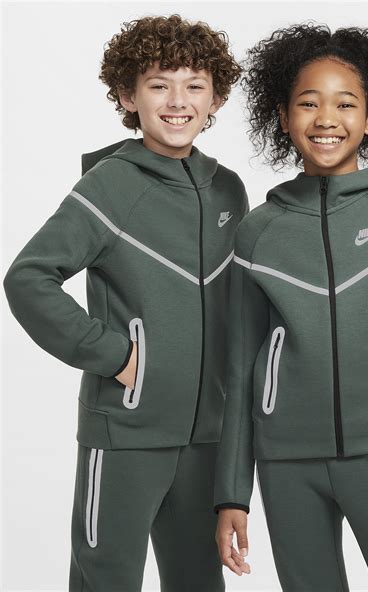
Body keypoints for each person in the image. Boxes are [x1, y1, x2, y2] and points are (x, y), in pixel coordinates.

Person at [3, 14, 247, 591]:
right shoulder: (110, 186)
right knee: (106, 581)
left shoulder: (229, 189)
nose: (178, 101)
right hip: (125, 434)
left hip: (207, 440)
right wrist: (113, 355)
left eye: (194, 85)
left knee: (198, 583)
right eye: (159, 85)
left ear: (215, 98)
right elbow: (28, 277)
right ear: (128, 96)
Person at [213, 22, 368, 592]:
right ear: (283, 116)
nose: (327, 118)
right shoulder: (258, 232)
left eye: (345, 103)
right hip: (286, 464)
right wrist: (232, 494)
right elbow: (239, 368)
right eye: (309, 103)